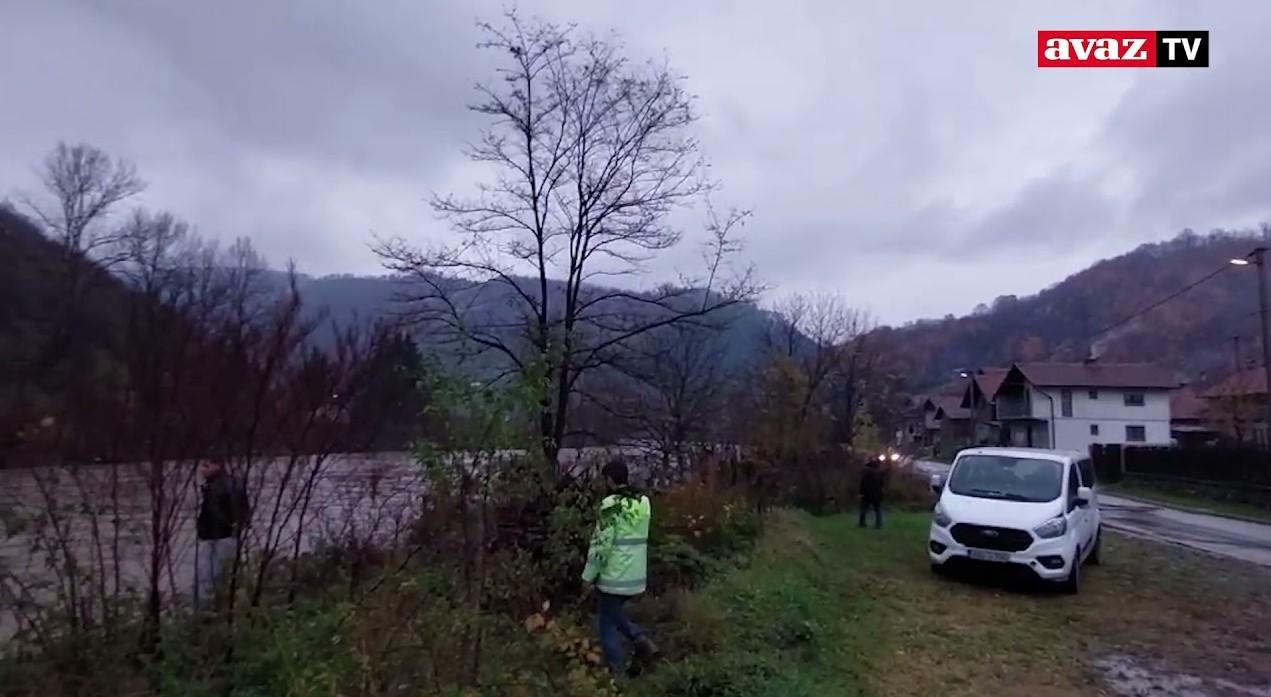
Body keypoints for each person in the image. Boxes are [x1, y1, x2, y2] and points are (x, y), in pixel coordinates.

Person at [581, 459, 658, 675]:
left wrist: (588, 577)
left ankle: (619, 670)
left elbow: (601, 546)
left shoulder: (611, 505)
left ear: (610, 479)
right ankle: (639, 646)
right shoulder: (643, 502)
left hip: (614, 576)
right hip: (635, 575)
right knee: (612, 614)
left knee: (607, 624)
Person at [195, 460, 245, 611]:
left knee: (208, 581)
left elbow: (216, 513)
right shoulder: (229, 483)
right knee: (226, 579)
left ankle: (208, 614)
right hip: (224, 538)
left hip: (217, 539)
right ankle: (225, 610)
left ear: (218, 466)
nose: (202, 470)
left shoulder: (219, 487)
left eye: (206, 466)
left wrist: (225, 526)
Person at [859, 458, 885, 529]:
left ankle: (862, 523)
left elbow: (863, 484)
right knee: (878, 509)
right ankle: (879, 524)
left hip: (867, 494)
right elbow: (882, 484)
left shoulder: (866, 473)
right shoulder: (880, 473)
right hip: (877, 494)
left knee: (864, 509)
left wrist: (861, 493)